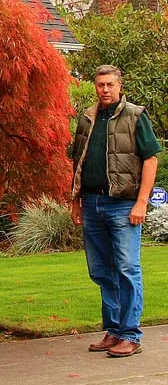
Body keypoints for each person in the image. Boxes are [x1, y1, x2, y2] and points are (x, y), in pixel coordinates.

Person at [70, 65, 161, 358]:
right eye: (100, 85)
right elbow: (78, 163)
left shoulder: (136, 115)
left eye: (109, 84)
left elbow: (151, 159)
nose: (105, 89)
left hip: (123, 204)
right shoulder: (87, 118)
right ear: (95, 87)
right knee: (101, 271)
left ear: (120, 85)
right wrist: (75, 201)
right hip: (93, 204)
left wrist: (142, 203)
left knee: (126, 269)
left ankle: (131, 335)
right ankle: (113, 330)